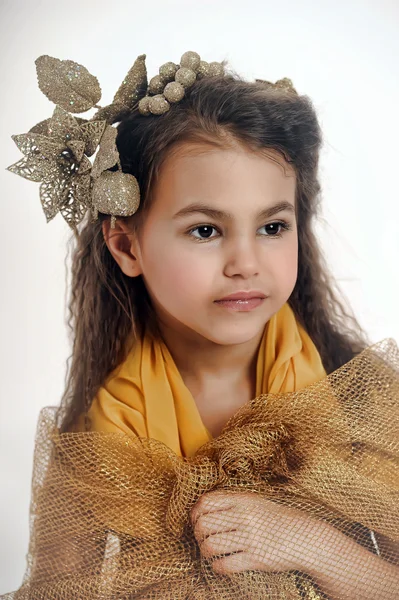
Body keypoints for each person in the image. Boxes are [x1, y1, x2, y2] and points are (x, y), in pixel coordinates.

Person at [4, 50, 399, 599]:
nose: (246, 262)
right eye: (206, 231)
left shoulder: (363, 400)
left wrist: (306, 541)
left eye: (272, 226)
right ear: (126, 243)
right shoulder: (102, 439)